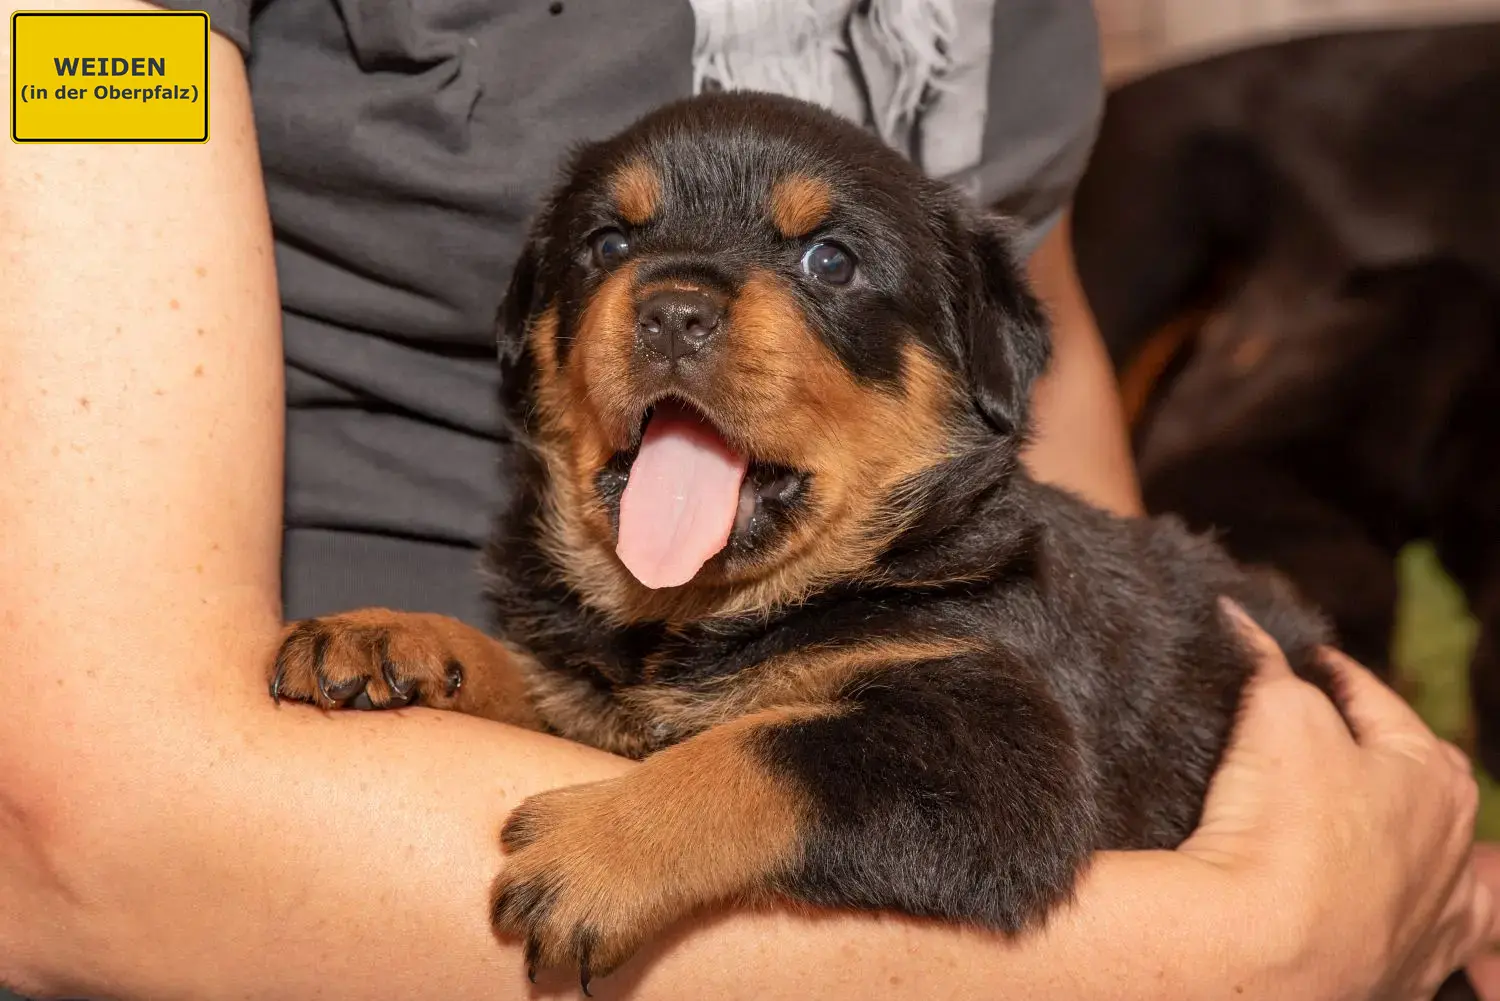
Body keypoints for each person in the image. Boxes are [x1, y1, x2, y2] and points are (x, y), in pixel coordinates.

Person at [0, 1, 1491, 999]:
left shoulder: (937, 544)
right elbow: (74, 831)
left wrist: (1347, 831)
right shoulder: (95, 41)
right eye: (614, 255)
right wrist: (1245, 944)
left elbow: (1031, 319)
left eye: (822, 265)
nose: (679, 301)